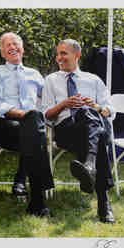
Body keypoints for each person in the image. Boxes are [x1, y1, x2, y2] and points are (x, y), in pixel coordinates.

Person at [42, 39, 116, 223]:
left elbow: (110, 112)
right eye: (58, 54)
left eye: (63, 53)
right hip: (67, 131)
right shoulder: (51, 80)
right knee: (96, 135)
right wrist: (64, 104)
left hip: (93, 127)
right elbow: (46, 115)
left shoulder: (94, 80)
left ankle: (89, 167)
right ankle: (103, 203)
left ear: (77, 55)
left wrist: (96, 107)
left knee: (89, 115)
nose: (59, 58)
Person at [0, 32, 54, 217]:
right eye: (7, 45)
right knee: (34, 129)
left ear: (22, 49)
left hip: (29, 127)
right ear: (2, 52)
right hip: (3, 125)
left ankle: (36, 201)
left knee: (32, 129)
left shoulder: (35, 74)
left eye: (16, 43)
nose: (12, 47)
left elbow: (48, 98)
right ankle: (36, 189)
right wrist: (23, 114)